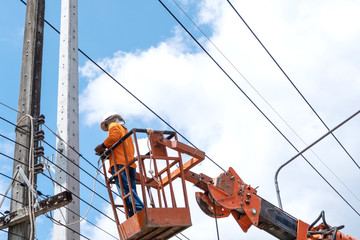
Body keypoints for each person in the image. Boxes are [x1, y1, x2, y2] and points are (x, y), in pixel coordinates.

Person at [94, 112, 144, 217]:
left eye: (107, 126)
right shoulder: (124, 131)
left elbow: (113, 137)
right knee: (131, 191)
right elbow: (119, 146)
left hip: (120, 164)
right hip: (130, 164)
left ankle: (140, 211)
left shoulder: (113, 125)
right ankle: (134, 213)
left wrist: (102, 146)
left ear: (108, 121)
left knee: (125, 190)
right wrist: (106, 152)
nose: (108, 128)